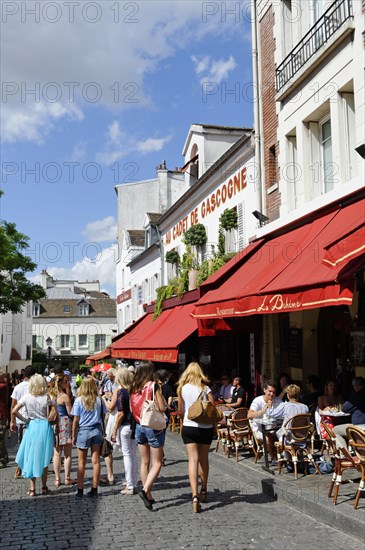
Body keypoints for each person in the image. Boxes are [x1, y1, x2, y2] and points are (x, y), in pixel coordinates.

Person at [177, 362, 216, 513]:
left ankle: (194, 495)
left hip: (189, 426)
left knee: (192, 460)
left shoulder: (182, 389)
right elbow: (212, 409)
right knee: (204, 459)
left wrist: (184, 421)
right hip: (205, 428)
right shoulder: (205, 388)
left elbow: (180, 411)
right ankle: (204, 489)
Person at [130, 361, 166, 510]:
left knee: (144, 462)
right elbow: (162, 407)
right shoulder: (153, 386)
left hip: (139, 425)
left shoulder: (134, 386)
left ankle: (149, 494)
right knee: (157, 462)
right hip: (152, 426)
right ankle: (145, 491)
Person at [12, 374, 55, 496]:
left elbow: (14, 410)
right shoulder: (47, 397)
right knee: (44, 457)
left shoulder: (26, 397)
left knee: (32, 456)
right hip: (44, 426)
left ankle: (32, 489)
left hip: (32, 426)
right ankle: (44, 486)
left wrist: (25, 420)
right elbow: (52, 411)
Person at [71, 377, 106, 499]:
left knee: (82, 462)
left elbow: (75, 420)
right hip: (96, 430)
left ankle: (80, 490)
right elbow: (103, 416)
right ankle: (94, 488)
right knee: (96, 461)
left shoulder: (78, 401)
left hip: (84, 430)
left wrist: (73, 435)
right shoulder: (99, 400)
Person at [111, 368, 138, 495]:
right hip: (134, 424)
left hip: (125, 425)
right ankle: (132, 480)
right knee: (133, 455)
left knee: (127, 455)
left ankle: (130, 484)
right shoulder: (133, 390)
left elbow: (121, 412)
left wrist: (114, 429)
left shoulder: (122, 391)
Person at [48, 374, 77, 487]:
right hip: (65, 423)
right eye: (65, 381)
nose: (67, 382)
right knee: (67, 454)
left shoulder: (50, 395)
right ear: (61, 383)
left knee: (56, 453)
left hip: (54, 424)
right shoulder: (64, 397)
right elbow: (70, 413)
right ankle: (67, 478)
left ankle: (57, 479)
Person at [10, 364, 36, 478]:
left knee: (22, 444)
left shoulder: (18, 387)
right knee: (30, 444)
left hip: (20, 418)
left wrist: (12, 421)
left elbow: (13, 405)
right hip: (32, 419)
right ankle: (22, 467)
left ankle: (21, 467)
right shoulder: (36, 387)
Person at [248, 380, 282, 463]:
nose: (271, 394)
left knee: (286, 434)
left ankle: (284, 456)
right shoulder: (258, 400)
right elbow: (249, 415)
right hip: (260, 429)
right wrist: (262, 411)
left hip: (274, 428)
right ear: (264, 390)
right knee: (268, 438)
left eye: (273, 392)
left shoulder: (277, 400)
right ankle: (273, 457)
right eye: (269, 391)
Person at [332, 376, 365, 450]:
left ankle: (345, 455)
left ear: (356, 386)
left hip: (359, 428)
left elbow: (344, 408)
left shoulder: (358, 395)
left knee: (334, 430)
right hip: (360, 427)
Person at [0, 370, 9, 468]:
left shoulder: (3, 386)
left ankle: (2, 460)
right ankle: (4, 457)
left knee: (0, 439)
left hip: (1, 415)